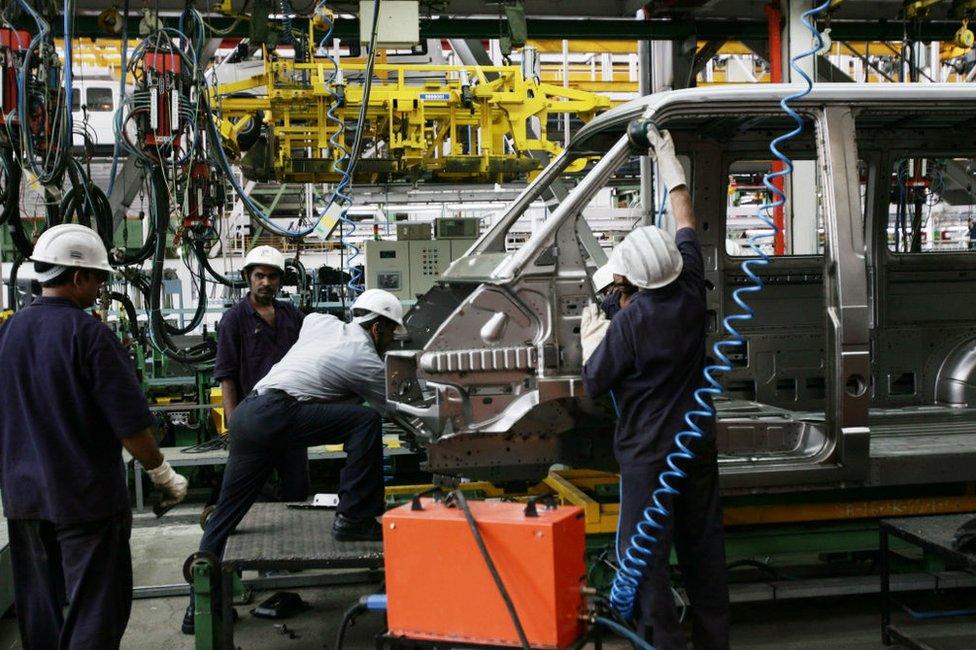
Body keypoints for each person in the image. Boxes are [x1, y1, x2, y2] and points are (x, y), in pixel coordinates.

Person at [0, 224, 188, 649]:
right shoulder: (89, 335)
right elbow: (129, 424)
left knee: (40, 611)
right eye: (99, 278)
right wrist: (162, 473)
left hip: (24, 500)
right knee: (95, 610)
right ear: (78, 276)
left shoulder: (9, 332)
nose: (101, 287)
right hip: (84, 500)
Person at [580, 129, 730, 649]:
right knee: (704, 551)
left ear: (632, 283)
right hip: (697, 445)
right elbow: (684, 215)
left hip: (649, 457)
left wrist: (595, 327)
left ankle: (663, 642)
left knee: (645, 560)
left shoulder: (629, 323)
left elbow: (594, 381)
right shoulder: (690, 285)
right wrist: (670, 161)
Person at [182, 288, 402, 633]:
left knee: (227, 511)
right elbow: (396, 410)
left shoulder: (321, 322)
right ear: (377, 329)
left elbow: (311, 326)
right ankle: (354, 517)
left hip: (248, 414)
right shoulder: (365, 358)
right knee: (365, 420)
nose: (389, 343)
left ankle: (197, 607)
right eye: (390, 334)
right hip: (277, 414)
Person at [213, 245, 306, 500]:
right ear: (248, 278)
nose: (266, 282)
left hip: (290, 418)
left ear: (280, 280)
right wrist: (234, 427)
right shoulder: (234, 320)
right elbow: (227, 376)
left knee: (297, 488)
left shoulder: (292, 315)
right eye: (259, 276)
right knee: (246, 491)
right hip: (253, 420)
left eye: (272, 276)